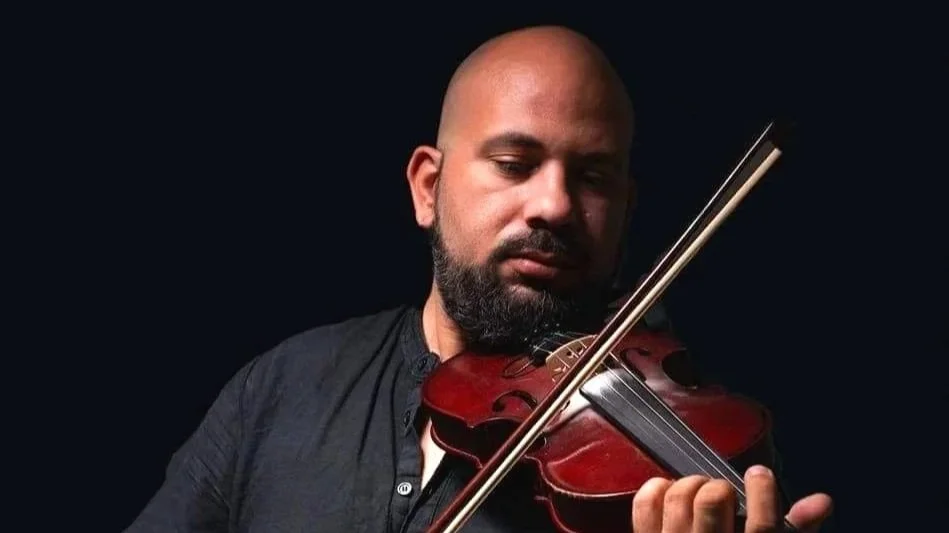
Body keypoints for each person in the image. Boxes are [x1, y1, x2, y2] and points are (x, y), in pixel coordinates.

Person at [124, 25, 833, 533]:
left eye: (590, 176)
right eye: (515, 163)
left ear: (624, 210)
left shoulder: (696, 462)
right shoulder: (281, 386)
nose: (554, 205)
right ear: (427, 187)